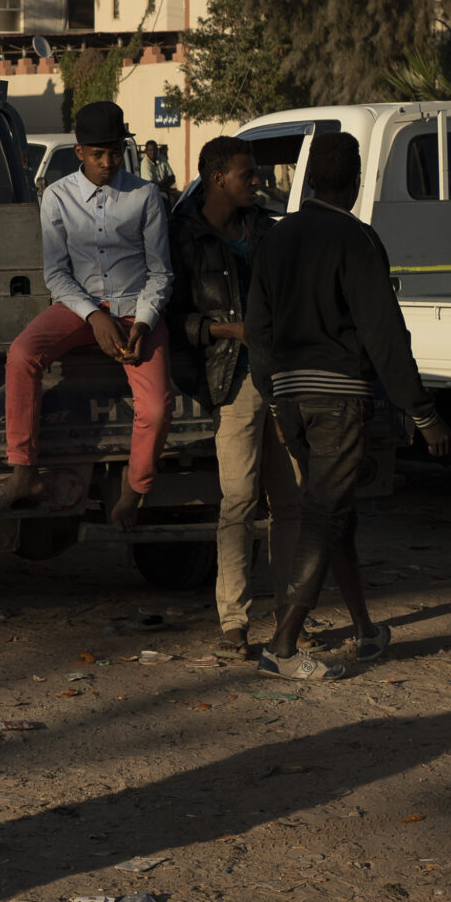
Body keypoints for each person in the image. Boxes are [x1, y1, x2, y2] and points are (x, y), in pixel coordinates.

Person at [244, 133, 451, 679]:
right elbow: (384, 333)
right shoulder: (357, 240)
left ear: (310, 178)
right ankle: (282, 648)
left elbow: (258, 331)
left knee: (335, 513)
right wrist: (423, 412)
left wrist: (274, 397)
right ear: (356, 182)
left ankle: (363, 629)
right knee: (324, 514)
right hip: (339, 399)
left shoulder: (276, 238)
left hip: (288, 397)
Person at [0, 99, 172, 527]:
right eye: (98, 154)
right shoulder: (56, 196)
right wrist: (94, 316)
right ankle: (23, 472)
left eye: (114, 152)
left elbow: (161, 272)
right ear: (79, 153)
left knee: (158, 409)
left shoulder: (145, 195)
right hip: (78, 308)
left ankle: (135, 487)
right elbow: (56, 274)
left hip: (136, 311)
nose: (108, 162)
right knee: (21, 355)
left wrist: (143, 322)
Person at [167, 136, 294, 656]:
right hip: (232, 380)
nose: (257, 180)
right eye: (248, 173)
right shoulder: (183, 235)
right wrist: (226, 331)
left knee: (291, 502)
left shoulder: (265, 228)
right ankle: (234, 623)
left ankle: (292, 616)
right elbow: (174, 317)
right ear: (218, 178)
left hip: (281, 377)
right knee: (239, 501)